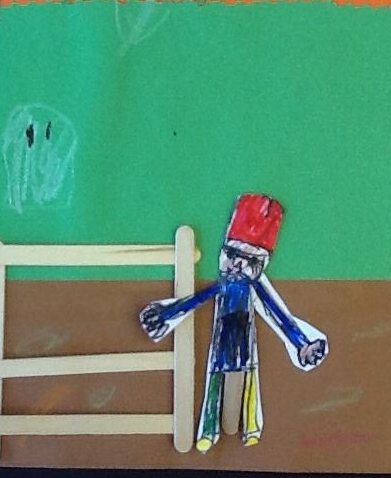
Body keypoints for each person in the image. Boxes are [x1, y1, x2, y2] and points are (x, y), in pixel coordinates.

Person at [139, 193, 328, 452]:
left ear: (260, 266)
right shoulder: (224, 286)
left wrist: (301, 344)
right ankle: (209, 431)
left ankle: (250, 427)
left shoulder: (254, 289)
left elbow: (278, 316)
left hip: (244, 342)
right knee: (216, 379)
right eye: (232, 254)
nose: (238, 264)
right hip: (222, 341)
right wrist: (166, 315)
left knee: (249, 379)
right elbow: (195, 300)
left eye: (250, 261)